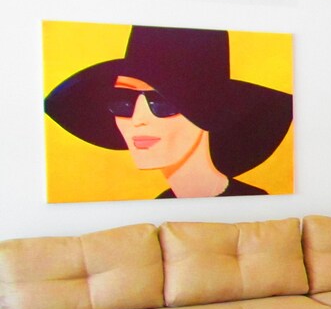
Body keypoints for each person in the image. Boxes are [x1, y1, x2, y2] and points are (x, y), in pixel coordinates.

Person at [44, 25, 292, 198]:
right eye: (123, 100)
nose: (138, 120)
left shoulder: (254, 203)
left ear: (206, 112)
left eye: (163, 102)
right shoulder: (164, 202)